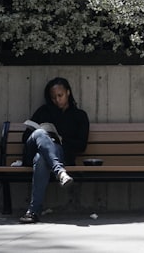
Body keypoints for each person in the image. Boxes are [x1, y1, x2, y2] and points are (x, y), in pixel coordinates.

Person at [19, 77, 90, 224]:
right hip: (32, 151)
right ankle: (60, 172)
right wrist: (43, 135)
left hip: (59, 154)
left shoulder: (79, 116)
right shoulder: (43, 112)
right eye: (53, 97)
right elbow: (25, 137)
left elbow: (82, 145)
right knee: (39, 133)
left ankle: (33, 212)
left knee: (41, 159)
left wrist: (61, 140)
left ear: (68, 93)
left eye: (60, 95)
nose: (57, 100)